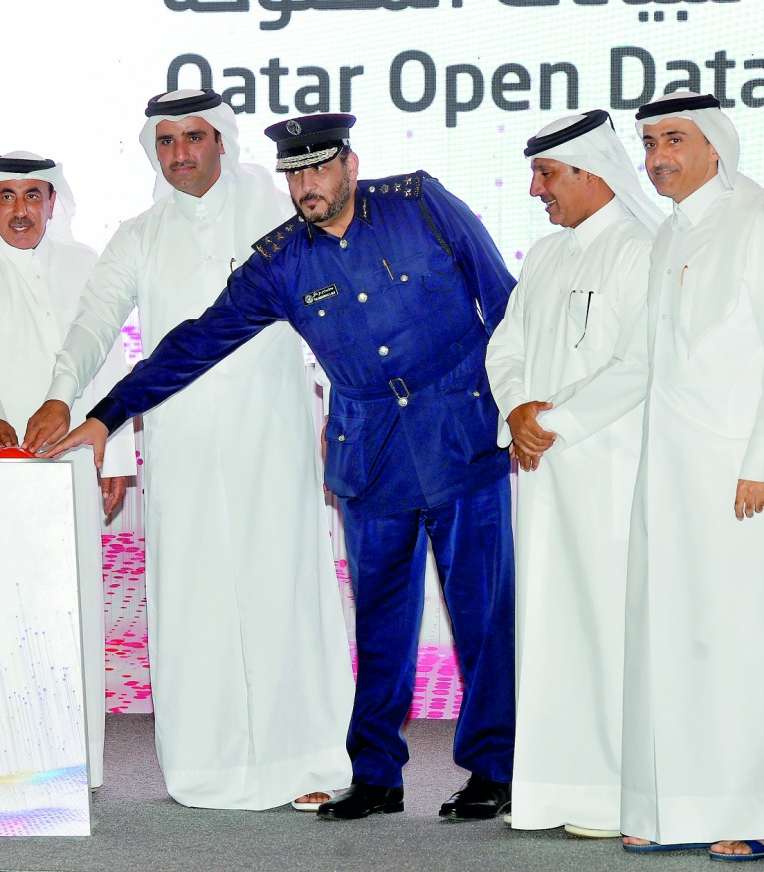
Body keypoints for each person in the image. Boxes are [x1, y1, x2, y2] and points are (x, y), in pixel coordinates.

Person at [37, 112, 520, 822]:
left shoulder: (421, 203)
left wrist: (520, 403)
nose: (306, 186)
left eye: (319, 169)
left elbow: (503, 299)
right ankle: (378, 776)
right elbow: (198, 340)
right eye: (295, 174)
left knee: (481, 617)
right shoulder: (281, 259)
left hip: (462, 438)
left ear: (350, 166)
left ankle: (492, 771)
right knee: (382, 626)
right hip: (371, 458)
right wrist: (108, 413)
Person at [22, 90, 354, 811]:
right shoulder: (140, 235)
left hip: (274, 434)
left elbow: (333, 307)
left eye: (193, 138)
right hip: (182, 441)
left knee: (285, 589)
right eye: (165, 141)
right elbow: (93, 321)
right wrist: (61, 393)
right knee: (195, 597)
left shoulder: (277, 213)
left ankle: (311, 759)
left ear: (222, 142)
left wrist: (341, 404)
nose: (180, 154)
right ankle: (209, 764)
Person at [545, 92, 764, 860]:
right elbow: (640, 360)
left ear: (715, 147)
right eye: (649, 143)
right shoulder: (668, 237)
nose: (658, 156)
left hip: (742, 479)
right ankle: (682, 810)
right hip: (667, 481)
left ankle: (760, 812)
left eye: (674, 139)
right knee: (675, 647)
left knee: (743, 645)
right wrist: (557, 420)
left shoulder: (758, 228)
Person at [484, 110, 661, 838]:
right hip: (546, 478)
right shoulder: (550, 256)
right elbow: (507, 346)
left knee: (608, 630)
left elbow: (642, 366)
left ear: (590, 172)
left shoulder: (644, 250)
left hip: (614, 476)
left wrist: (547, 426)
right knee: (553, 632)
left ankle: (622, 796)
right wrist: (519, 408)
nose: (536, 190)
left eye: (546, 174)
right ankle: (557, 793)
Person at [0, 152, 135, 789]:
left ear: (54, 202)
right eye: (6, 197)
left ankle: (74, 764)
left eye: (33, 196)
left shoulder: (85, 265)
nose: (21, 210)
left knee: (69, 602)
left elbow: (107, 358)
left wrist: (118, 452)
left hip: (75, 455)